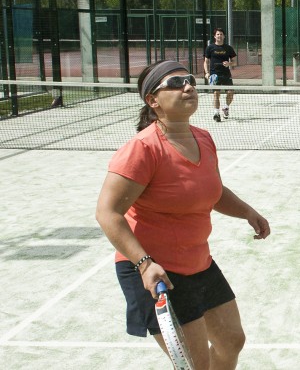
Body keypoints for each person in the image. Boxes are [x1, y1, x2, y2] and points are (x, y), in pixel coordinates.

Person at [95, 60, 270, 369]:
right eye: (175, 84)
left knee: (231, 341)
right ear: (153, 100)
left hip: (197, 262)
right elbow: (107, 213)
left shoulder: (203, 138)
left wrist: (247, 212)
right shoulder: (142, 149)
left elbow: (211, 189)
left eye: (190, 80)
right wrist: (145, 264)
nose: (188, 86)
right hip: (155, 270)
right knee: (194, 364)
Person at [204, 28, 237, 122]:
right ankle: (216, 113)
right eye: (218, 34)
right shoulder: (210, 48)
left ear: (224, 36)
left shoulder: (228, 48)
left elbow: (235, 62)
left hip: (226, 74)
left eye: (221, 34)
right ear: (215, 36)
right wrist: (207, 73)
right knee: (216, 94)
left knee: (230, 93)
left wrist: (229, 64)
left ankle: (226, 108)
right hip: (215, 74)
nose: (219, 36)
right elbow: (206, 62)